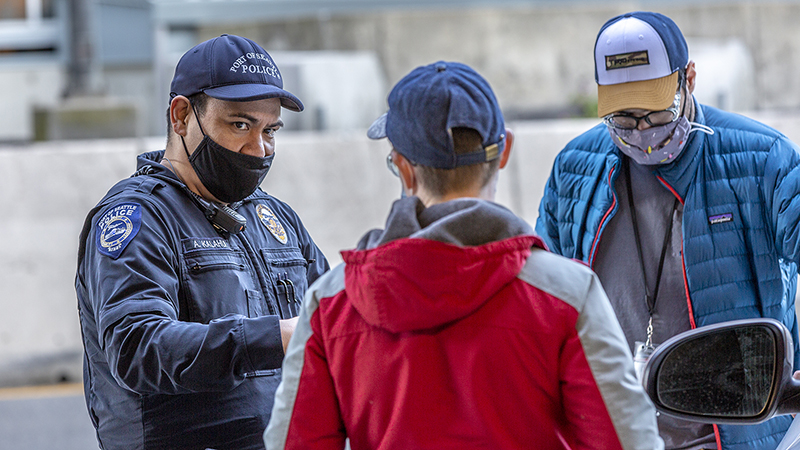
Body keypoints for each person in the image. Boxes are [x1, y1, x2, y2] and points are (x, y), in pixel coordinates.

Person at [264, 61, 664, 450]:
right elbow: (626, 439)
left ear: (403, 169)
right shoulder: (567, 295)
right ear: (504, 150)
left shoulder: (331, 303)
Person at [535, 11, 800, 450]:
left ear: (689, 79)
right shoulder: (575, 168)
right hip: (618, 434)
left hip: (737, 435)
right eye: (622, 118)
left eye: (657, 114)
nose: (643, 133)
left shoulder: (762, 157)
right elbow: (544, 296)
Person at [75, 34, 329, 450]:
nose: (258, 148)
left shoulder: (274, 217)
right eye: (240, 124)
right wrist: (273, 337)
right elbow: (136, 346)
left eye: (270, 130)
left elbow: (333, 316)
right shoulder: (138, 218)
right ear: (181, 116)